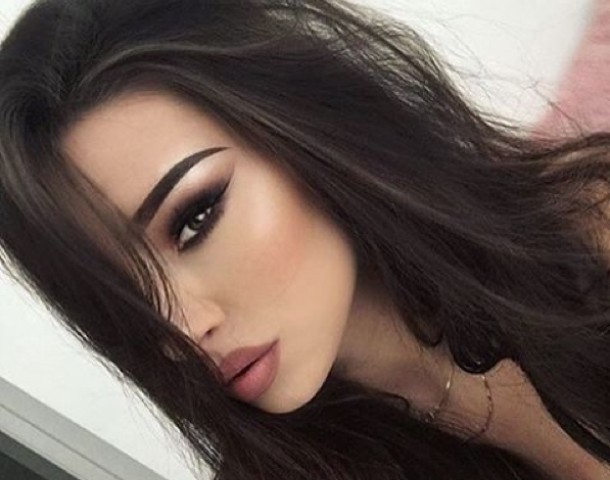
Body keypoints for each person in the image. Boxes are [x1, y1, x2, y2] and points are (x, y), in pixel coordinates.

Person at [0, 0, 609, 479]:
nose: (180, 329)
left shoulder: (587, 219)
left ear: (300, 122)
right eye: (120, 293)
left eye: (194, 219)